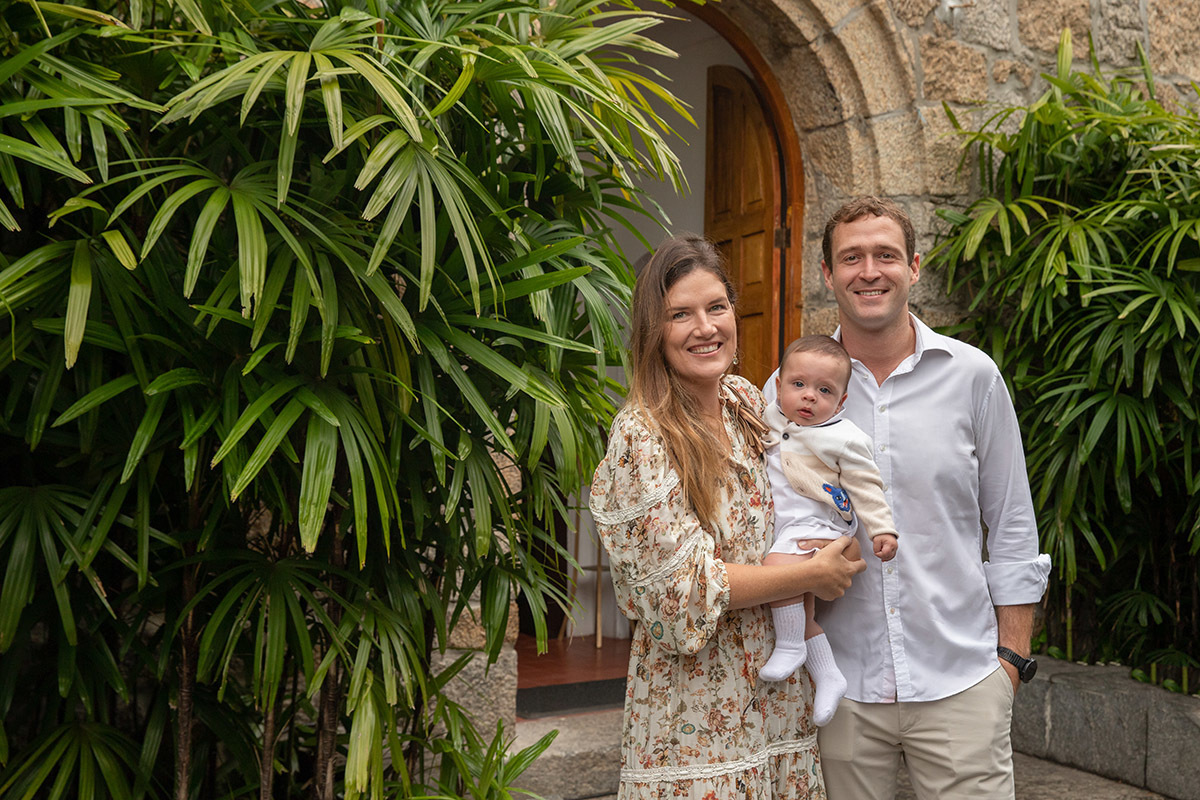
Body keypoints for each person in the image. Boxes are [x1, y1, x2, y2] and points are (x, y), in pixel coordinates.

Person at [763, 197, 1051, 800]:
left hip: (962, 681)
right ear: (827, 274)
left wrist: (1010, 662)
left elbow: (1013, 523)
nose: (869, 270)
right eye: (851, 258)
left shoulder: (973, 376)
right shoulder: (789, 391)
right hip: (837, 685)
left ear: (914, 267)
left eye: (886, 255)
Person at [589, 234, 865, 799]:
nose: (706, 327)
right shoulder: (643, 436)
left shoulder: (746, 403)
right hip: (695, 714)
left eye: (716, 307)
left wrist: (843, 534)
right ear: (652, 332)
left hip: (776, 702)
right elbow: (684, 590)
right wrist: (810, 575)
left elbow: (810, 486)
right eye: (680, 315)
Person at [758, 335, 899, 734]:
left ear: (841, 402)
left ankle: (789, 647)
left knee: (778, 568)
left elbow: (867, 487)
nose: (808, 398)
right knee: (801, 609)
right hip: (785, 525)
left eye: (824, 391)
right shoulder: (767, 416)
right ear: (779, 384)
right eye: (798, 385)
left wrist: (882, 530)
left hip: (817, 523)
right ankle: (829, 675)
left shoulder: (844, 437)